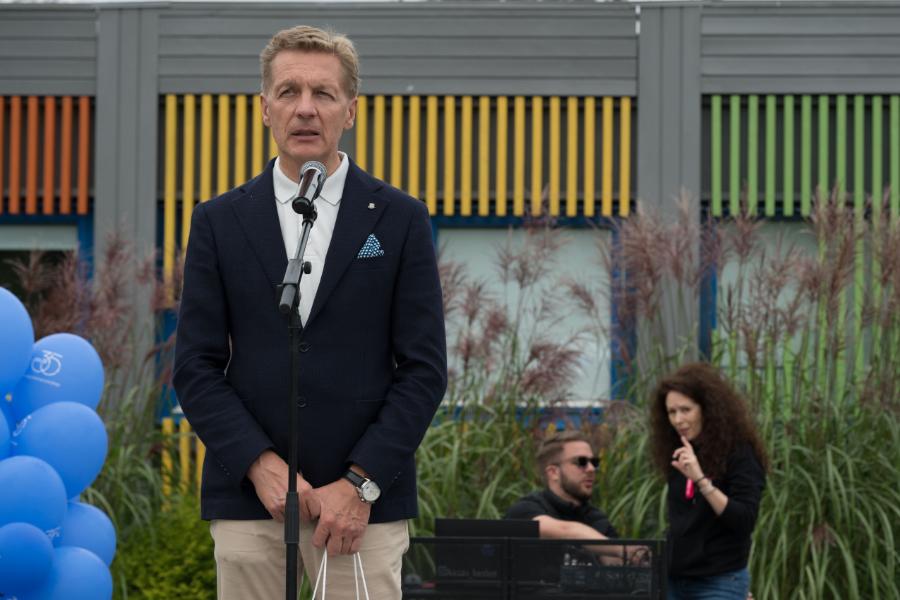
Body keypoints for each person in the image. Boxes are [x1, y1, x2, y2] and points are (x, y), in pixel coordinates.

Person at [173, 25, 447, 600]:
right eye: (289, 91)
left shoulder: (400, 218)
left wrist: (360, 484)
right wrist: (261, 466)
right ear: (264, 108)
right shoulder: (218, 221)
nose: (305, 108)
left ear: (350, 109)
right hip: (251, 500)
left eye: (323, 93)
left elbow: (423, 370)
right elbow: (195, 366)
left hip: (361, 511)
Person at [651, 363, 768, 600]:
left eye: (686, 410)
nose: (678, 419)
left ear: (707, 408)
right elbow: (683, 522)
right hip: (673, 580)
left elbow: (744, 520)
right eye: (671, 412)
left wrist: (701, 480)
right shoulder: (678, 451)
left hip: (718, 581)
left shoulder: (740, 453)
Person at [505, 430, 631, 563]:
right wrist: (622, 549)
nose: (591, 469)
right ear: (553, 472)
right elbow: (566, 530)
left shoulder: (596, 518)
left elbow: (615, 563)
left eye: (594, 462)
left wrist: (631, 557)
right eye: (581, 462)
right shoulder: (526, 509)